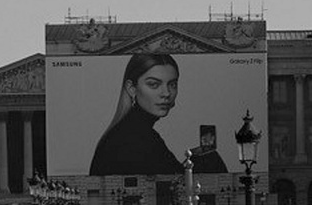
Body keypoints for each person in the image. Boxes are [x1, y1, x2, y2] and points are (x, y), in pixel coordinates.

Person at [89, 53, 229, 177]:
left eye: (172, 85)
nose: (166, 93)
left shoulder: (133, 130)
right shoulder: (135, 137)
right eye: (154, 85)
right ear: (132, 88)